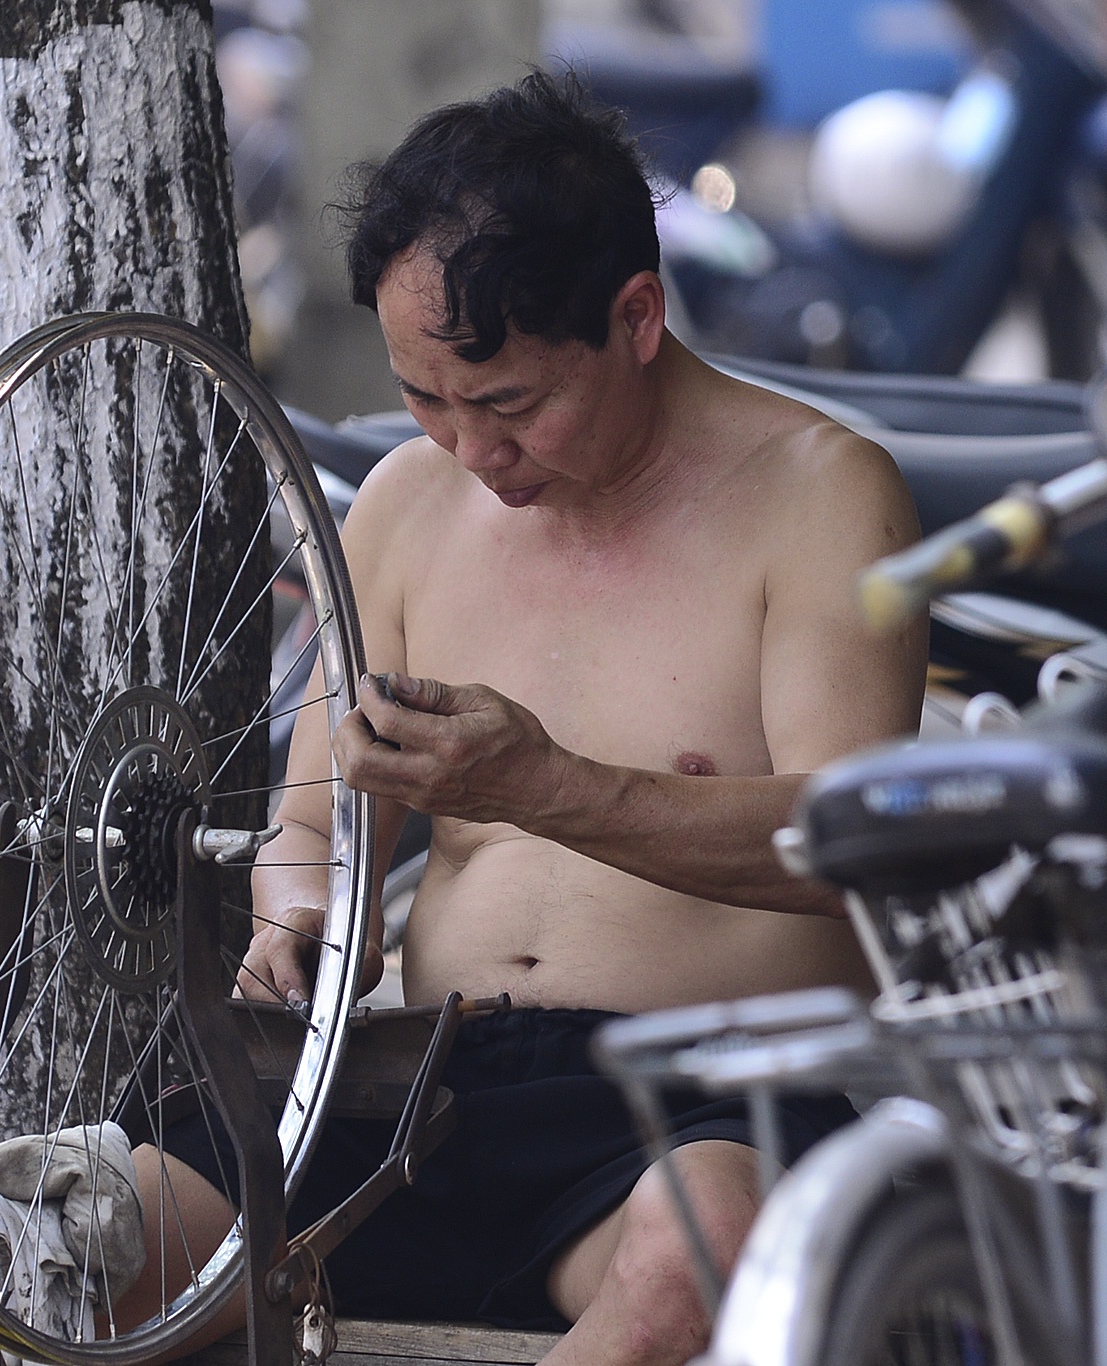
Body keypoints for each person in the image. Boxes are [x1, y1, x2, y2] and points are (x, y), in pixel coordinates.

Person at [113, 72, 927, 1366]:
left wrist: (547, 784)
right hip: (412, 1083)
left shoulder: (818, 493)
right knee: (77, 1244)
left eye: (506, 404)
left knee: (708, 1252)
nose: (469, 451)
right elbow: (320, 820)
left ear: (638, 316)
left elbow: (855, 844)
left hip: (694, 1102)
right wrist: (301, 914)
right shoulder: (405, 500)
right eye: (425, 398)